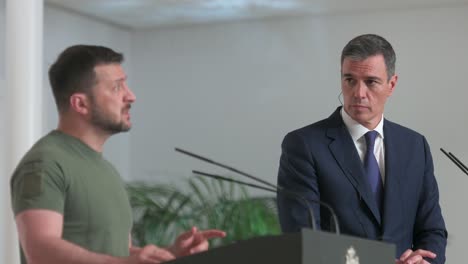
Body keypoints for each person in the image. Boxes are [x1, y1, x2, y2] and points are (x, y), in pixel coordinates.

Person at [10, 45, 226, 264]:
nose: (130, 96)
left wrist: (169, 255)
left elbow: (115, 251)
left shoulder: (105, 169)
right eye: (117, 87)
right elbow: (40, 251)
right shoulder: (44, 163)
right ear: (81, 104)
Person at [277, 34, 447, 264]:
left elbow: (432, 230)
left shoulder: (415, 146)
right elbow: (303, 239)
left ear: (391, 84)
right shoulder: (304, 145)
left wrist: (425, 261)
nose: (358, 93)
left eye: (370, 81)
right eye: (350, 80)